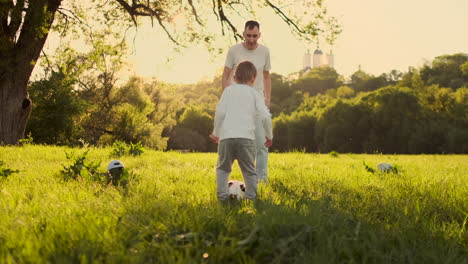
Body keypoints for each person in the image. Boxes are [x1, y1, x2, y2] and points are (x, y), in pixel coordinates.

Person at [211, 61, 273, 201]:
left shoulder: (228, 91)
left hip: (227, 138)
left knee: (223, 169)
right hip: (246, 139)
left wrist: (216, 132)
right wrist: (269, 135)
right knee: (249, 171)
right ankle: (251, 199)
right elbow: (265, 117)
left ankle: (222, 198)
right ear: (253, 79)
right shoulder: (255, 94)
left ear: (234, 77)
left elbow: (220, 113)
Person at [222, 20, 272, 183]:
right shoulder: (234, 50)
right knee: (233, 143)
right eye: (248, 35)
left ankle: (262, 179)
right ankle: (225, 178)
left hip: (256, 101)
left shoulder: (265, 52)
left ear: (259, 35)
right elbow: (225, 75)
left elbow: (266, 76)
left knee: (261, 142)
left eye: (255, 36)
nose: (251, 39)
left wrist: (267, 98)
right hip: (237, 101)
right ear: (243, 34)